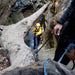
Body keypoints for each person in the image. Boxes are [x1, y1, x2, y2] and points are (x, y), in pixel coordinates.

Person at [53, 0, 75, 65]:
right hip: (67, 34)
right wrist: (60, 22)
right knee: (56, 61)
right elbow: (72, 6)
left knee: (62, 65)